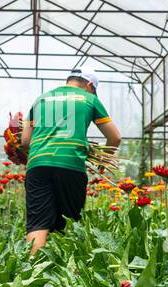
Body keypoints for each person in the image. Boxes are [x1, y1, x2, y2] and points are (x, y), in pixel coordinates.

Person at [21, 66, 121, 253]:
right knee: (68, 220)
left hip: (38, 164)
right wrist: (102, 160)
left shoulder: (41, 99)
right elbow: (115, 137)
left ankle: (31, 272)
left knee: (38, 222)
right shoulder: (89, 99)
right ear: (90, 85)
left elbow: (25, 141)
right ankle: (65, 270)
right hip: (70, 164)